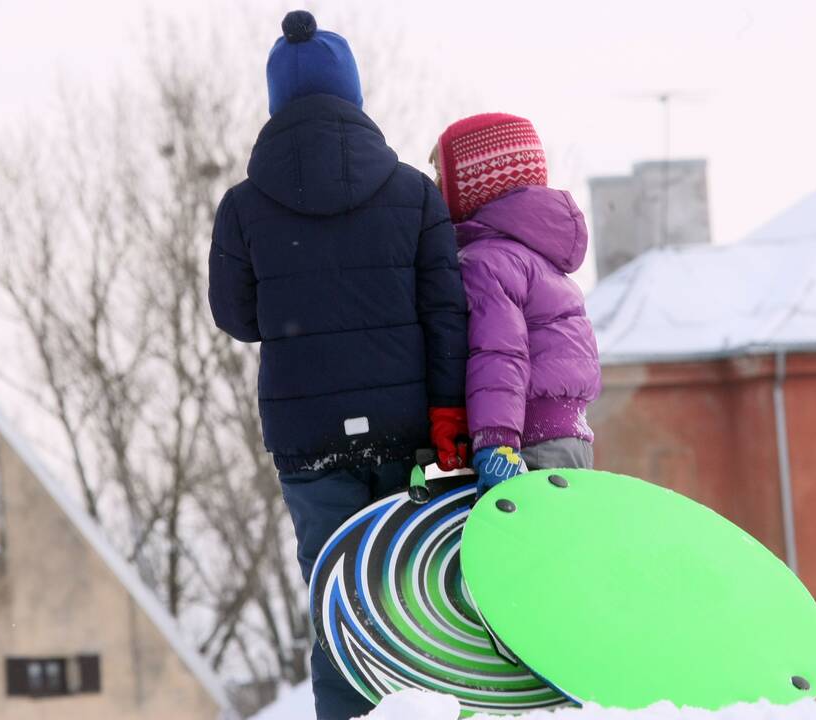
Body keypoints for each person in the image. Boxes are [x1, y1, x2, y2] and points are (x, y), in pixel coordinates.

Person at [208, 10, 467, 719]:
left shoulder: (242, 207)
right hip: (407, 429)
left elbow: (234, 318)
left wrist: (301, 312)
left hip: (308, 437)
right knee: (415, 593)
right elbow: (447, 315)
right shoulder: (414, 193)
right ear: (351, 94)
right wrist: (447, 415)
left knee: (338, 601)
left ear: (275, 103)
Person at [430, 113, 601, 497]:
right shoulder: (540, 258)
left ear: (476, 184)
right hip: (569, 439)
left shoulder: (488, 261)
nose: (436, 189)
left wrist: (497, 442)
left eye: (443, 177)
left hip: (528, 444)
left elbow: (500, 353)